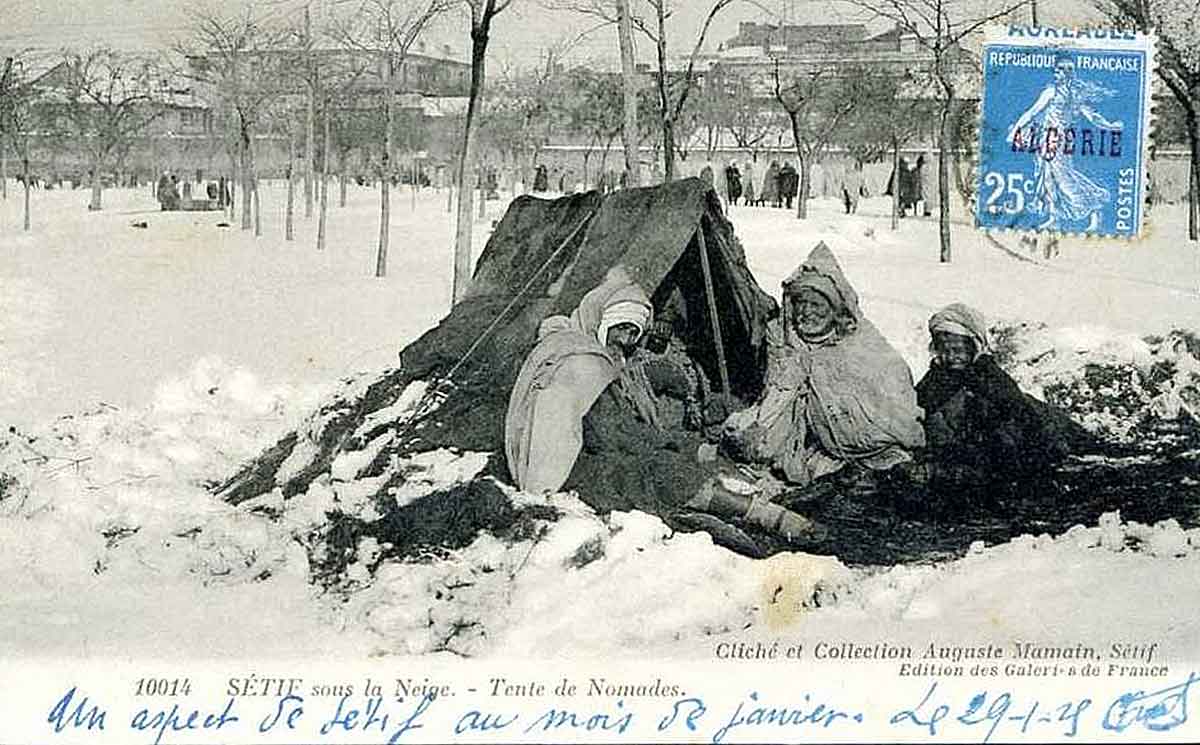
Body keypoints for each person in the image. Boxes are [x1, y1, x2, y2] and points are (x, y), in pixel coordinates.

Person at [723, 243, 925, 487]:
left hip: (868, 444)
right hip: (811, 443)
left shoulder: (860, 341)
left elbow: (892, 384)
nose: (806, 312)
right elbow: (774, 398)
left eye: (816, 305)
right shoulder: (783, 339)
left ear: (834, 310)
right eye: (801, 303)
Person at [912, 303, 1097, 487]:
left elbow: (1018, 423)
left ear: (973, 347)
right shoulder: (936, 378)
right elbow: (917, 407)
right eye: (944, 351)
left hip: (1016, 446)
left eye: (958, 350)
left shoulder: (989, 378)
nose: (951, 357)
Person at [505, 267, 654, 494]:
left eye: (634, 333)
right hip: (568, 469)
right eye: (622, 328)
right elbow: (557, 425)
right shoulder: (580, 360)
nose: (626, 340)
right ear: (601, 321)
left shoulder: (605, 359)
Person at [1007, 58, 1123, 232]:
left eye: (1060, 70)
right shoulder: (1051, 92)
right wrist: (1016, 129)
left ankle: (1094, 209)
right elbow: (1032, 113)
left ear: (1068, 73)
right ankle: (1054, 218)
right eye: (1055, 70)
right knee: (1048, 178)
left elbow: (1091, 116)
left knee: (1064, 178)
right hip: (1046, 138)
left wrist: (1110, 126)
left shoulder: (1070, 94)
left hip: (1058, 139)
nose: (1056, 73)